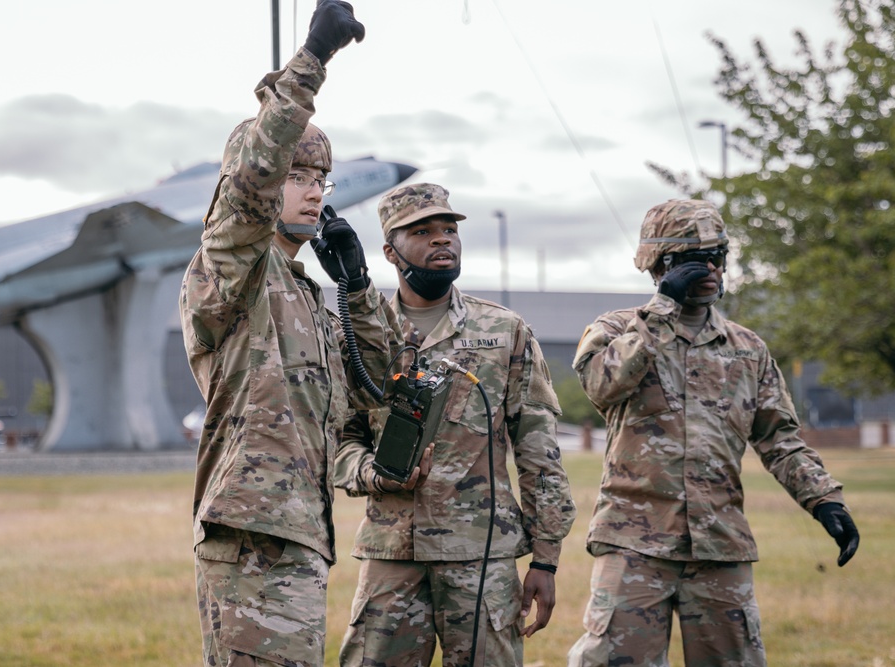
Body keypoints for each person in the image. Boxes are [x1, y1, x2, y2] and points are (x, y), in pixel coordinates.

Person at [179, 3, 398, 666]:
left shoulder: (305, 294)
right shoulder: (231, 265)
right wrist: (311, 63)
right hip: (249, 534)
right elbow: (250, 181)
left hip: (301, 532)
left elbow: (375, 386)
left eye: (320, 180)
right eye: (297, 177)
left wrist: (356, 285)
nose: (312, 192)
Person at [567, 199, 860, 667]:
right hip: (634, 544)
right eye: (691, 260)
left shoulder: (747, 349)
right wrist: (664, 306)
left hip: (720, 544)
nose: (708, 269)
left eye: (717, 257)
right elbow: (603, 385)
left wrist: (824, 500)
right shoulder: (616, 330)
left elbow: (780, 439)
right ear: (659, 265)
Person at [334, 183, 577, 667]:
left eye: (449, 229)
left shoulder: (502, 330)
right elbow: (339, 437)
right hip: (392, 554)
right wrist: (374, 473)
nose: (442, 240)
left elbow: (539, 450)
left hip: (481, 556)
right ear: (389, 251)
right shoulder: (362, 331)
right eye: (422, 232)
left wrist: (545, 558)